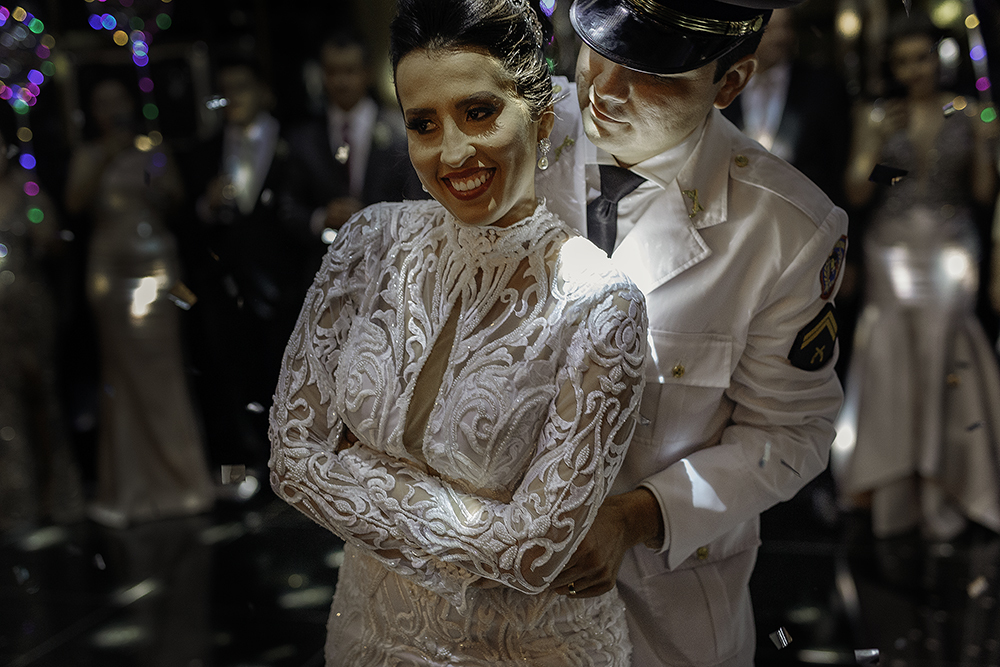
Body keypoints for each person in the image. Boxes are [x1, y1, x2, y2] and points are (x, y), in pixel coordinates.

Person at [268, 0, 648, 664]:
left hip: (529, 647)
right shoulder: (368, 244)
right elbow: (291, 461)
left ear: (541, 118)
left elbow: (533, 553)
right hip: (364, 633)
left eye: (478, 113)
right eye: (423, 123)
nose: (452, 152)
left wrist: (355, 463)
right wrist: (480, 518)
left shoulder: (601, 303)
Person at [535, 1, 848, 664]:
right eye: (598, 49)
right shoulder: (513, 135)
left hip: (661, 607)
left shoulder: (784, 230)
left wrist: (640, 515)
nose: (605, 89)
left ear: (728, 84)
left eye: (652, 72)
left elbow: (789, 435)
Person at [833, 14, 1000, 541]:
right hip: (892, 245)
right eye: (904, 61)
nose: (914, 70)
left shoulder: (968, 112)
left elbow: (980, 193)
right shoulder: (880, 113)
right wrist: (877, 147)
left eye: (922, 58)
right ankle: (891, 482)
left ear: (940, 59)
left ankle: (949, 476)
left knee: (946, 347)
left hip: (951, 243)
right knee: (893, 349)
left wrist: (985, 143)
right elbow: (860, 192)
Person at [65, 78, 214, 527]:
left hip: (157, 270)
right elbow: (74, 203)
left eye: (118, 100)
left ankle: (181, 479)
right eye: (102, 101)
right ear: (93, 111)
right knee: (123, 375)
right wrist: (107, 154)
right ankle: (130, 486)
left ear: (130, 104)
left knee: (164, 369)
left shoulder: (153, 150)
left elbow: (176, 199)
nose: (111, 108)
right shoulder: (88, 155)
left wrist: (153, 172)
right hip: (111, 274)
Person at [189, 55, 302, 475]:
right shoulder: (206, 151)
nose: (233, 98)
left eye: (242, 87)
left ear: (263, 92)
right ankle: (258, 463)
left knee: (292, 374)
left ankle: (302, 463)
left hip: (288, 281)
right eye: (225, 90)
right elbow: (190, 221)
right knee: (240, 375)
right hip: (231, 288)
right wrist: (208, 205)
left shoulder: (293, 140)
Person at [280, 30, 424, 287]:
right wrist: (320, 218)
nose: (341, 82)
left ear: (366, 72)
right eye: (332, 72)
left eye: (350, 71)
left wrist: (374, 219)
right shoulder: (303, 138)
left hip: (389, 269)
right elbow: (288, 206)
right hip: (325, 271)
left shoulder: (399, 130)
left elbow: (417, 203)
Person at [0, 115, 85, 531]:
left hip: (29, 308)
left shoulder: (25, 187)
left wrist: (41, 229)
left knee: (41, 395)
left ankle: (57, 493)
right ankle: (17, 500)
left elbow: (51, 239)